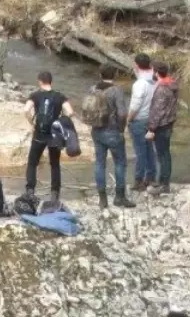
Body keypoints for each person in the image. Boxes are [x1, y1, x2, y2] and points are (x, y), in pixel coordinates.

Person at [85, 64, 136, 209]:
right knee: (120, 163)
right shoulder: (116, 91)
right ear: (114, 75)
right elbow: (122, 113)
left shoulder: (92, 88)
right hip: (113, 132)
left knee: (100, 164)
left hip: (96, 131)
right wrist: (121, 129)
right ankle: (119, 197)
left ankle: (103, 200)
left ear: (100, 74)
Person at [23, 71, 75, 201]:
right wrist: (60, 121)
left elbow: (25, 110)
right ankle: (54, 194)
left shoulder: (35, 95)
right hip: (54, 135)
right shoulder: (59, 96)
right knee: (55, 164)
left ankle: (30, 191)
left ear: (40, 81)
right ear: (51, 82)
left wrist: (32, 122)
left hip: (39, 134)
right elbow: (70, 112)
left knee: (32, 163)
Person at [144, 62, 179, 195]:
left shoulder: (161, 89)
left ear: (157, 73)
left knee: (162, 155)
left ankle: (163, 184)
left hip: (161, 126)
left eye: (154, 71)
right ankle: (165, 182)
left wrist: (151, 129)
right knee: (166, 154)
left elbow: (157, 111)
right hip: (169, 123)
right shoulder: (172, 84)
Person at [127, 53, 158, 193]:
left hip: (139, 120)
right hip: (151, 119)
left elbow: (135, 105)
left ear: (137, 66)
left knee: (140, 152)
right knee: (150, 150)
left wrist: (128, 119)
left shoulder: (139, 84)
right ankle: (151, 178)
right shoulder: (154, 80)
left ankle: (138, 181)